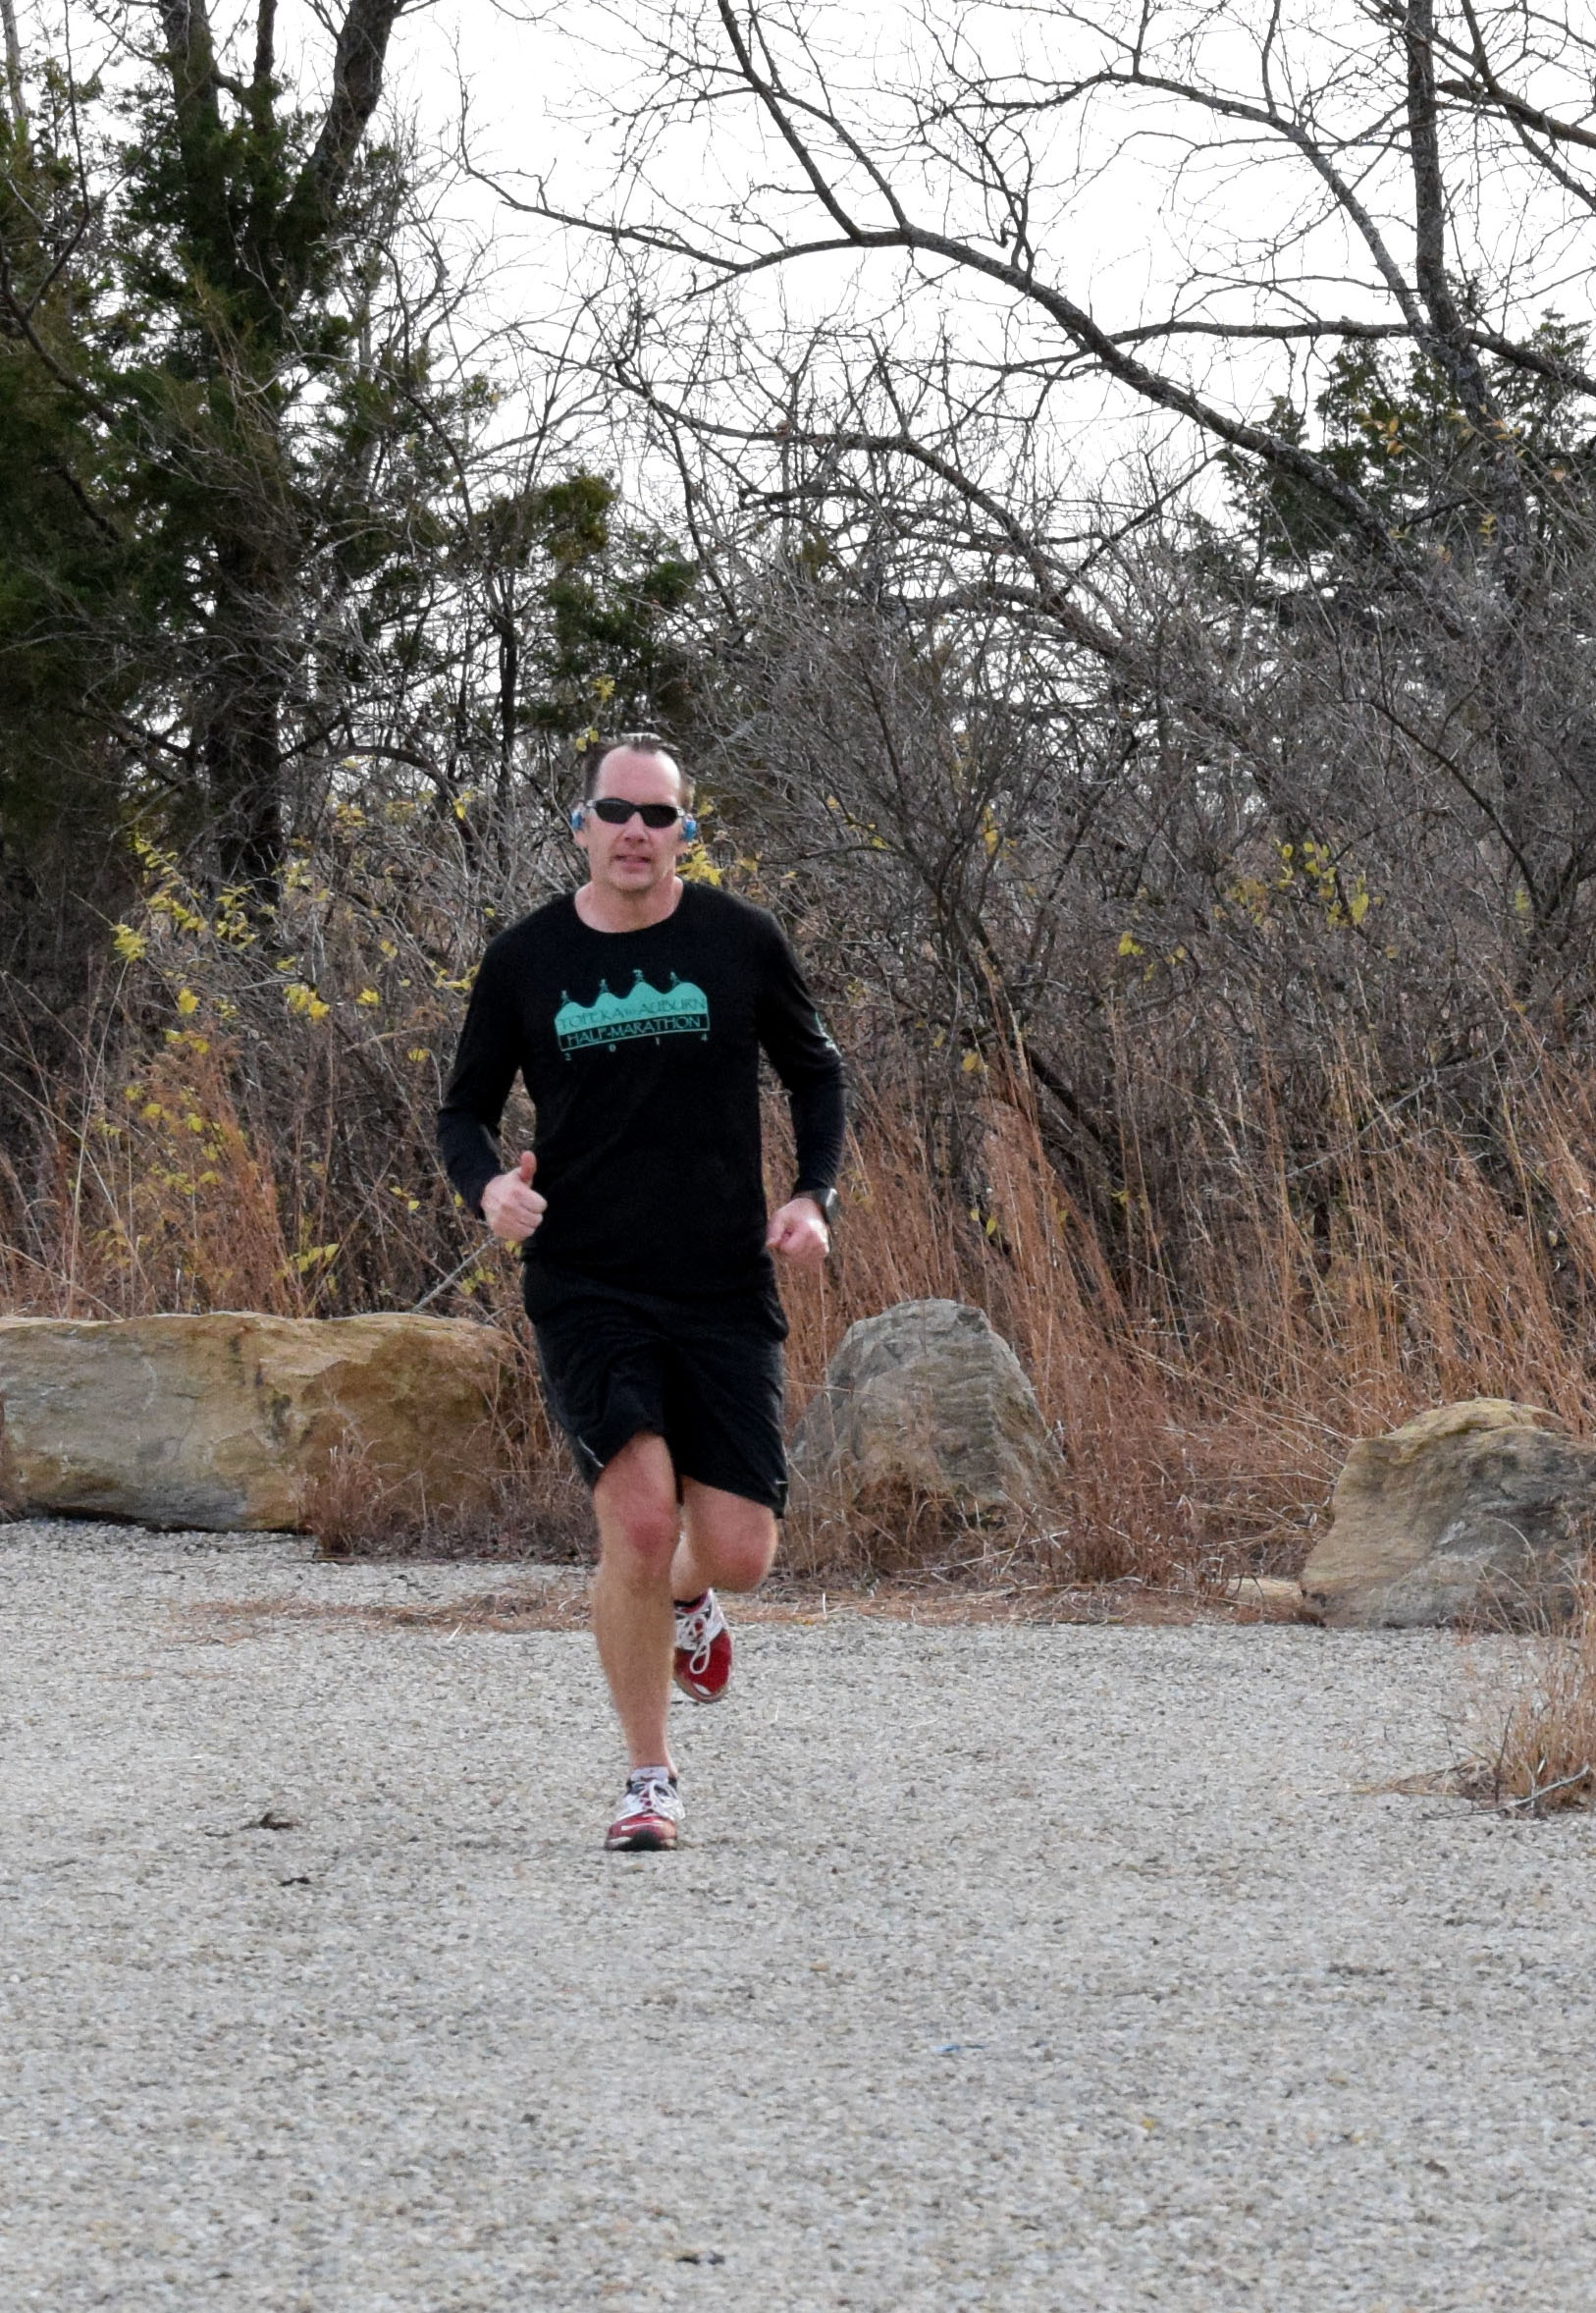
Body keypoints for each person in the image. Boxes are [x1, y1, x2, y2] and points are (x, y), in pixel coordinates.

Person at [437, 732, 845, 1853]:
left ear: (685, 834)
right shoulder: (526, 959)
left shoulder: (739, 940)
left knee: (741, 1550)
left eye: (658, 817)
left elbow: (817, 1070)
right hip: (587, 1281)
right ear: (580, 824)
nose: (635, 832)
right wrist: (489, 1192)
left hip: (719, 1279)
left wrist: (812, 1194)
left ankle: (689, 1600)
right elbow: (461, 1111)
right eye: (615, 811)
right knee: (640, 1516)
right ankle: (647, 1777)